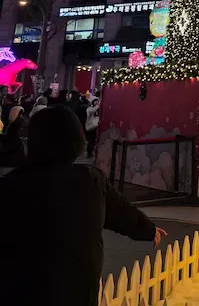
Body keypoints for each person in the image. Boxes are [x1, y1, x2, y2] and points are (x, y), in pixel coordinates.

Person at [0, 105, 166, 306]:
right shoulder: (91, 180)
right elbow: (121, 211)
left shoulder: (12, 185)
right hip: (78, 289)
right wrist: (148, 229)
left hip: (21, 289)